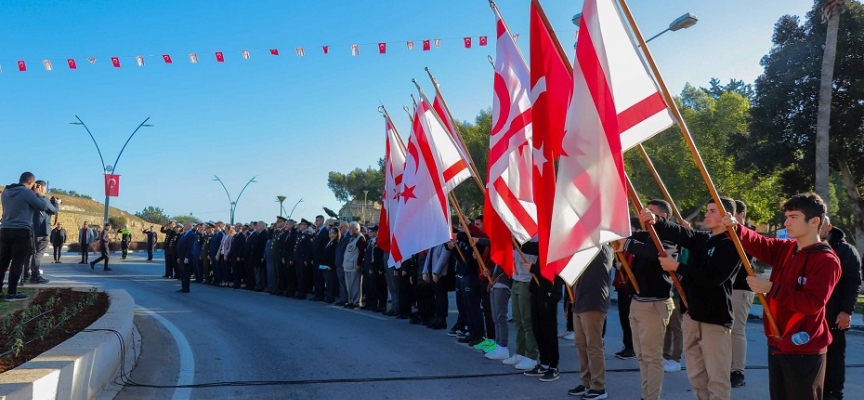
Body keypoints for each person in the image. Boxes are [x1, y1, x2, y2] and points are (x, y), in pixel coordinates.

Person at [724, 193, 842, 400]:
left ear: (814, 221)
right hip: (778, 343)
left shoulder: (827, 260)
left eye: (794, 217)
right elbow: (759, 243)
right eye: (786, 217)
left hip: (805, 348)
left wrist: (771, 288)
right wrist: (736, 228)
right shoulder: (787, 249)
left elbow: (812, 303)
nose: (786, 222)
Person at [640, 197, 743, 400]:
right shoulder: (703, 239)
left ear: (727, 216)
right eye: (707, 210)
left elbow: (713, 278)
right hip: (692, 315)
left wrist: (677, 267)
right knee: (696, 375)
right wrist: (657, 220)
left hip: (715, 320)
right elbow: (681, 233)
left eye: (713, 211)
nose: (707, 214)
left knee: (717, 378)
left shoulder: (732, 245)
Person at [620, 205, 677, 400]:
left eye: (649, 211)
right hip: (638, 302)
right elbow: (635, 239)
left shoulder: (669, 238)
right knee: (642, 356)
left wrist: (627, 243)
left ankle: (651, 397)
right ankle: (646, 395)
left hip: (654, 305)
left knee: (652, 358)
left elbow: (655, 253)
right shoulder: (645, 236)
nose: (642, 214)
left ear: (662, 215)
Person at [819, 216, 861, 400]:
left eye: (819, 226)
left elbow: (853, 283)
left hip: (834, 314)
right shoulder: (805, 248)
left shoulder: (845, 251)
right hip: (812, 315)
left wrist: (846, 311)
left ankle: (834, 394)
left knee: (834, 358)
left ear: (829, 227)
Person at [0, 172, 58, 300]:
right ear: (31, 182)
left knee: (3, 262)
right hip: (21, 230)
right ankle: (11, 292)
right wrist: (38, 194)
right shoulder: (27, 193)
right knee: (17, 262)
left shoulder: (6, 192)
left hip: (5, 229)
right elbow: (42, 206)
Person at [567, 245, 613, 397]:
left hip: (593, 302)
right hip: (579, 301)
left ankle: (598, 385)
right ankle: (586, 381)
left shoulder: (602, 248)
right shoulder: (585, 246)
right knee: (581, 344)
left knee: (594, 346)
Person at [730, 200, 756, 388]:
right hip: (725, 288)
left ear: (741, 214)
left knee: (736, 330)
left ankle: (737, 371)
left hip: (741, 288)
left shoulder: (749, 234)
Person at [23, 180, 56, 285]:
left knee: (28, 254)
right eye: (44, 188)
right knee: (38, 254)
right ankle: (35, 276)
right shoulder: (43, 199)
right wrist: (56, 203)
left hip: (30, 230)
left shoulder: (28, 198)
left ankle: (25, 276)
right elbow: (54, 210)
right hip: (42, 231)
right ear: (41, 187)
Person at [342, 221, 366, 308]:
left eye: (352, 228)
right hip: (347, 265)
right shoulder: (351, 238)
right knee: (349, 285)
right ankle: (350, 301)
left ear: (357, 229)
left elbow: (361, 252)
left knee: (355, 285)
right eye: (350, 228)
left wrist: (358, 264)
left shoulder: (360, 238)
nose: (350, 230)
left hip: (354, 265)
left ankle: (356, 302)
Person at [293, 219, 315, 299]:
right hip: (298, 258)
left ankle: (302, 293)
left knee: (303, 276)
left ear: (306, 226)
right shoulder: (300, 234)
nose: (300, 226)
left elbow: (309, 249)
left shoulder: (308, 235)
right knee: (298, 275)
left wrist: (306, 259)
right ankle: (299, 291)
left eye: (302, 224)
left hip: (303, 258)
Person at [175, 222, 195, 293]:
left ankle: (186, 288)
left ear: (189, 226)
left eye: (185, 225)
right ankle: (183, 287)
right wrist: (178, 257)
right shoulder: (184, 234)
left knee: (186, 273)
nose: (183, 227)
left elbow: (190, 247)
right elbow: (180, 246)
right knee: (182, 272)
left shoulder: (191, 235)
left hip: (186, 257)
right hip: (181, 256)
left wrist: (187, 257)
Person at [322, 227, 340, 303]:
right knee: (326, 281)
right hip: (324, 264)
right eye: (330, 232)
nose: (330, 234)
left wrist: (330, 264)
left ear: (336, 234)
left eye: (332, 232)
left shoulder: (336, 243)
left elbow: (333, 255)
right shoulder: (328, 242)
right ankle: (327, 296)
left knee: (330, 282)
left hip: (330, 265)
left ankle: (330, 298)